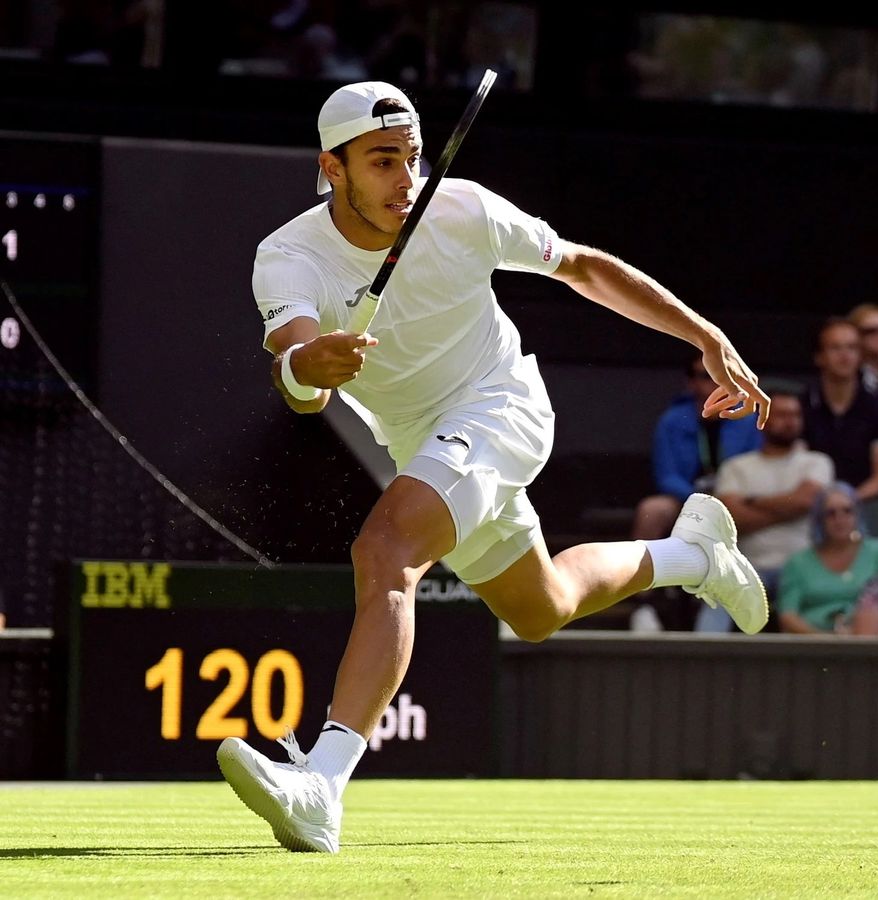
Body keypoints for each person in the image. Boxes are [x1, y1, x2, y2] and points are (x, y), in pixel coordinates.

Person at [218, 81, 772, 853]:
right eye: (381, 162)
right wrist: (314, 364)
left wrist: (702, 335)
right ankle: (693, 555)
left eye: (410, 158)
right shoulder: (287, 255)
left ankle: (323, 783)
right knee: (540, 608)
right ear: (331, 168)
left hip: (499, 404)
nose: (404, 179)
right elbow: (298, 380)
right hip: (421, 442)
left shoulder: (464, 208)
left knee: (385, 551)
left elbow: (581, 267)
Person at [700, 390, 834, 631]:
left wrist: (750, 501)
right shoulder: (736, 467)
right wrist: (787, 508)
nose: (790, 420)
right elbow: (730, 519)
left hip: (802, 566)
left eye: (795, 415)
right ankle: (698, 662)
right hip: (747, 564)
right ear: (763, 419)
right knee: (715, 596)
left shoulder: (816, 462)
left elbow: (805, 501)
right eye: (782, 414)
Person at [632, 354, 763, 544]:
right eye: (706, 376)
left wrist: (728, 497)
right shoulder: (673, 420)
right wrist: (698, 500)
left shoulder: (747, 418)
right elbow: (667, 476)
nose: (715, 382)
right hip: (686, 496)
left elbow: (756, 465)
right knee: (651, 510)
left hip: (734, 497)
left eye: (722, 375)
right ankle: (641, 572)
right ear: (691, 382)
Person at [801, 318, 878, 500]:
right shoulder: (802, 405)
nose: (845, 355)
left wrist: (846, 501)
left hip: (862, 504)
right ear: (819, 357)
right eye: (835, 348)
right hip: (808, 504)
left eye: (852, 348)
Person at [776, 482, 878, 634]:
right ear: (819, 520)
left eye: (847, 511)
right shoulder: (797, 563)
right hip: (811, 645)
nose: (839, 519)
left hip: (866, 641)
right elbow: (788, 616)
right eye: (830, 513)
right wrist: (822, 641)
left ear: (858, 514)